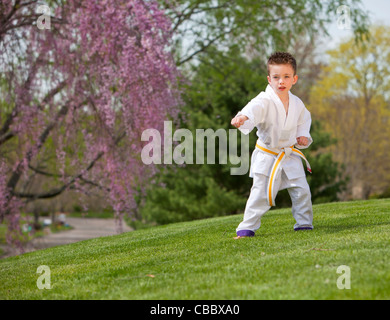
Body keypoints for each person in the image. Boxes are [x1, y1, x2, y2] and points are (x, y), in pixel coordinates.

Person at [231, 52, 313, 239]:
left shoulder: (297, 104)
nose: (281, 82)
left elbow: (303, 121)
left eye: (286, 77)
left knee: (301, 190)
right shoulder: (264, 100)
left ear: (294, 79)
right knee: (260, 192)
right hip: (267, 155)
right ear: (269, 79)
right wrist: (243, 117)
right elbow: (254, 108)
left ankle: (304, 224)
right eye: (276, 77)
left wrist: (303, 136)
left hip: (289, 154)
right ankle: (246, 228)